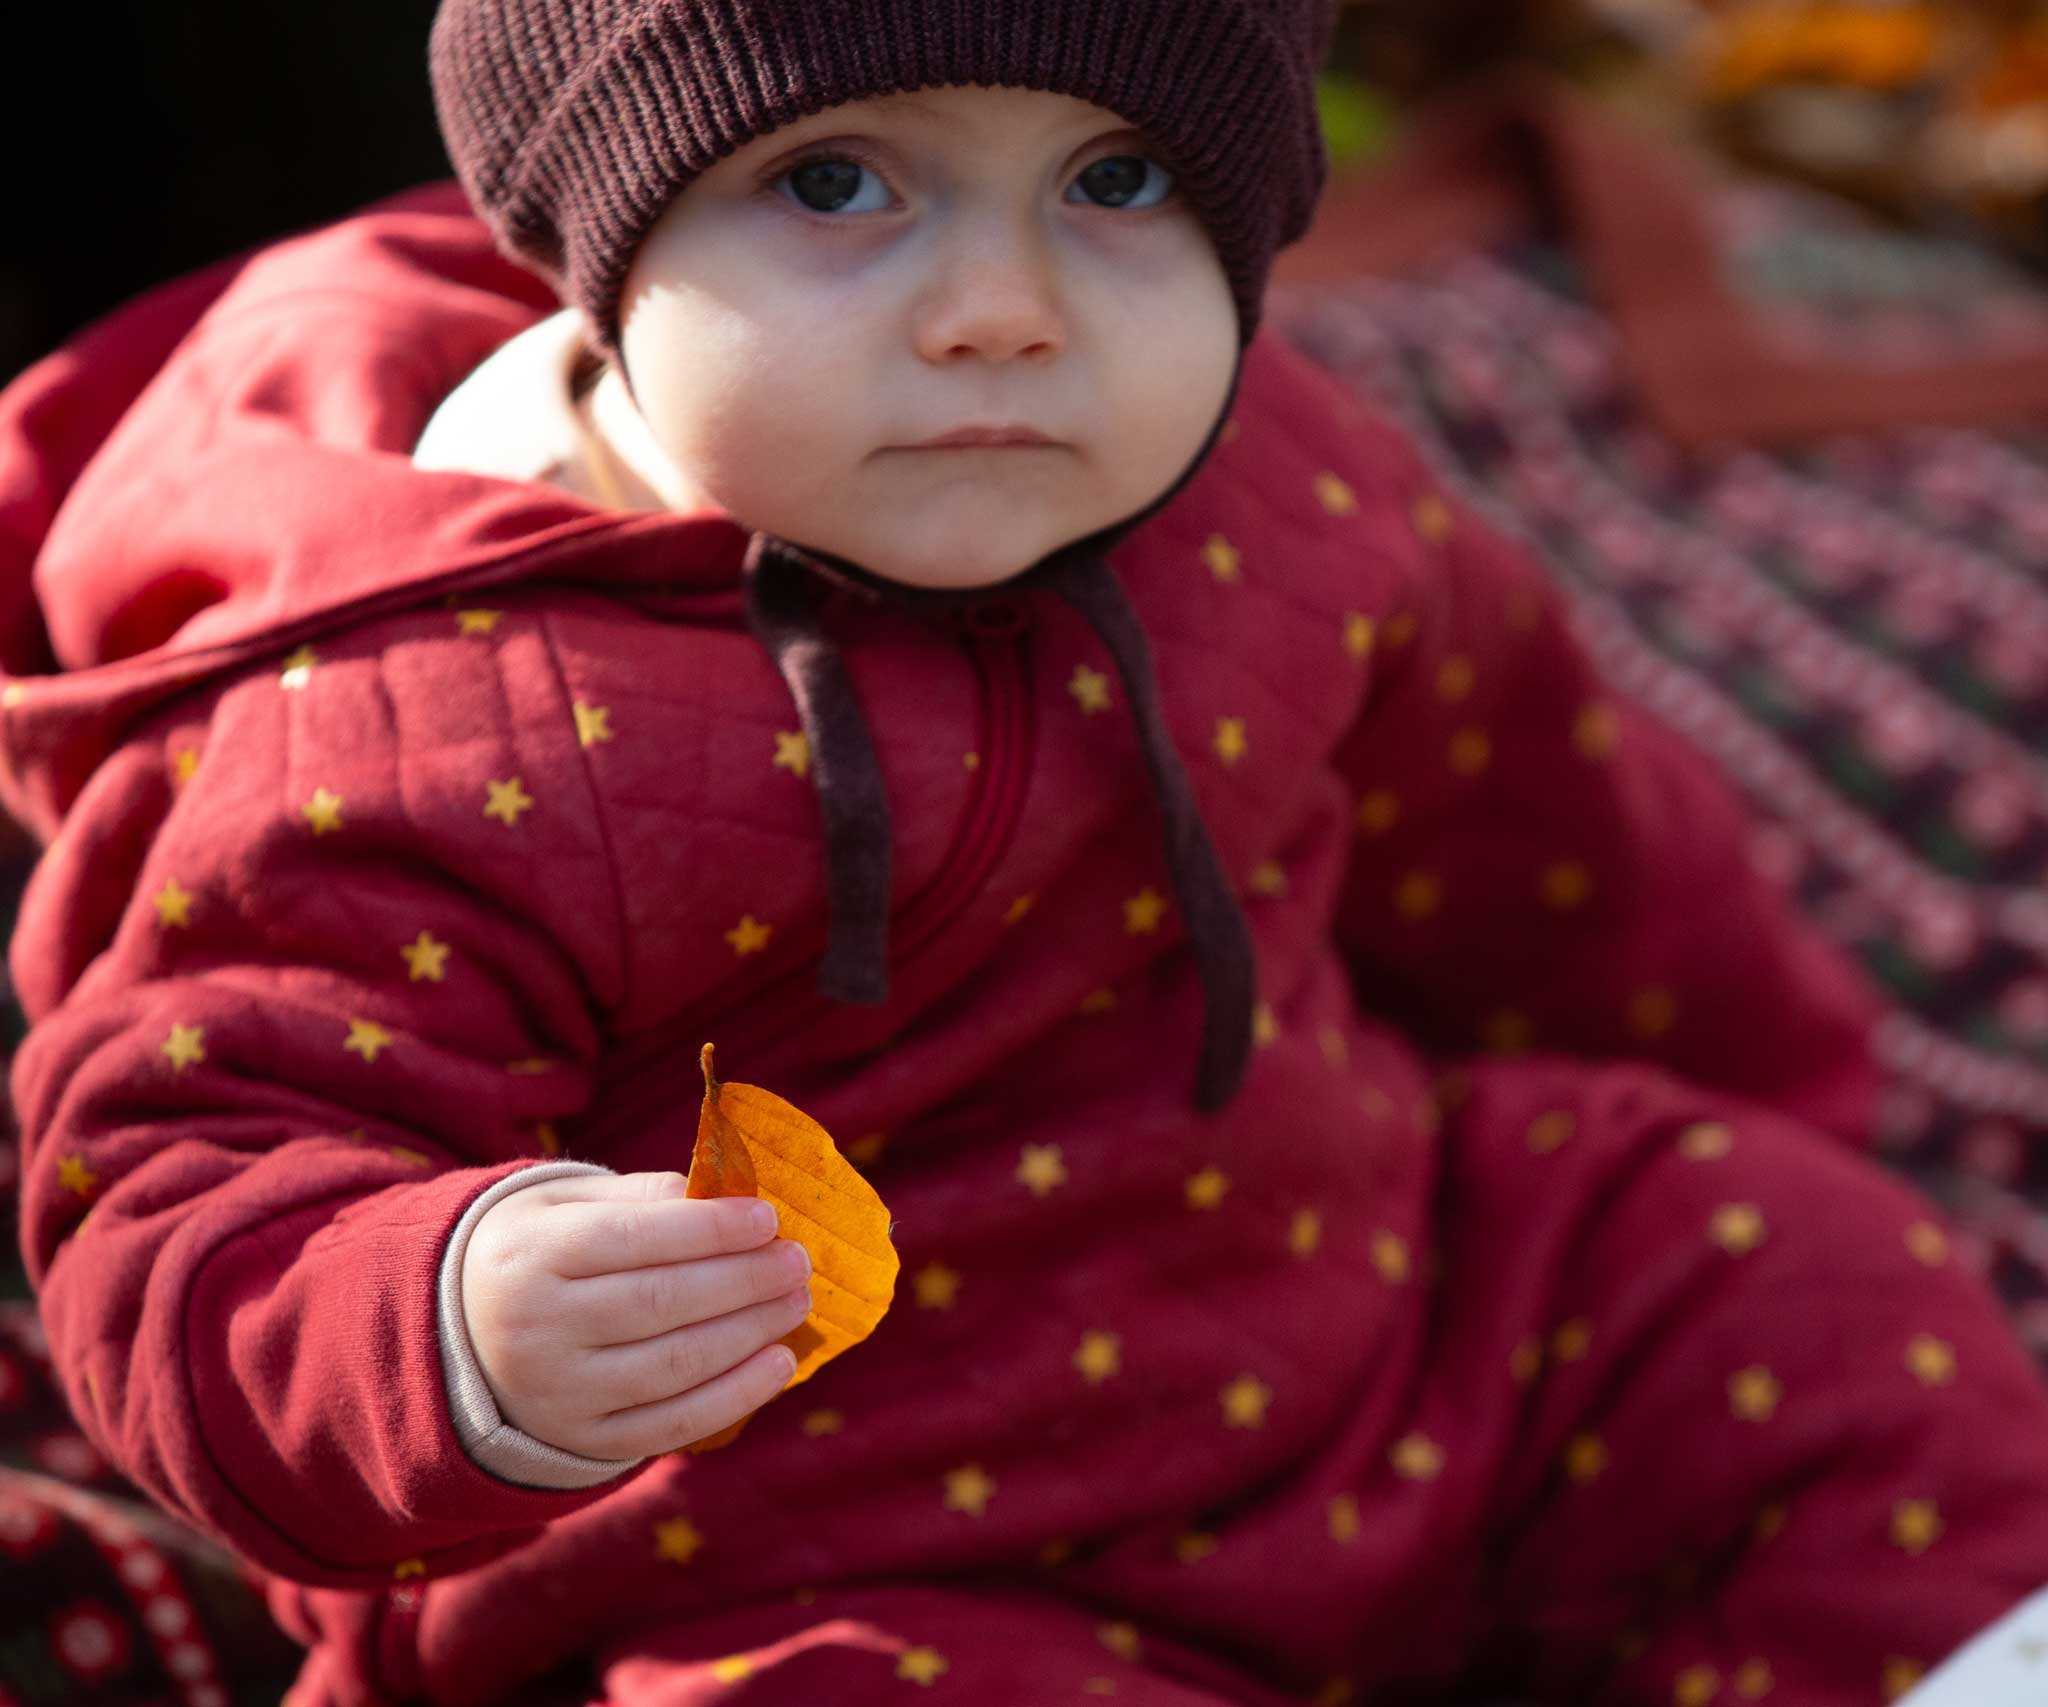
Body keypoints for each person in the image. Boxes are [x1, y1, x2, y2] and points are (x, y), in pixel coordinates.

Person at [1, 3, 2045, 1703]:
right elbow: (187, 1161)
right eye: (834, 182)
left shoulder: (1284, 479)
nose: (1002, 312)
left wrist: (1779, 1104)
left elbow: (1549, 831)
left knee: (1790, 1278)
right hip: (828, 1552)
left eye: (1117, 183)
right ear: (592, 243)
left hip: (1395, 1328)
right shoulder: (407, 725)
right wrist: (444, 1325)